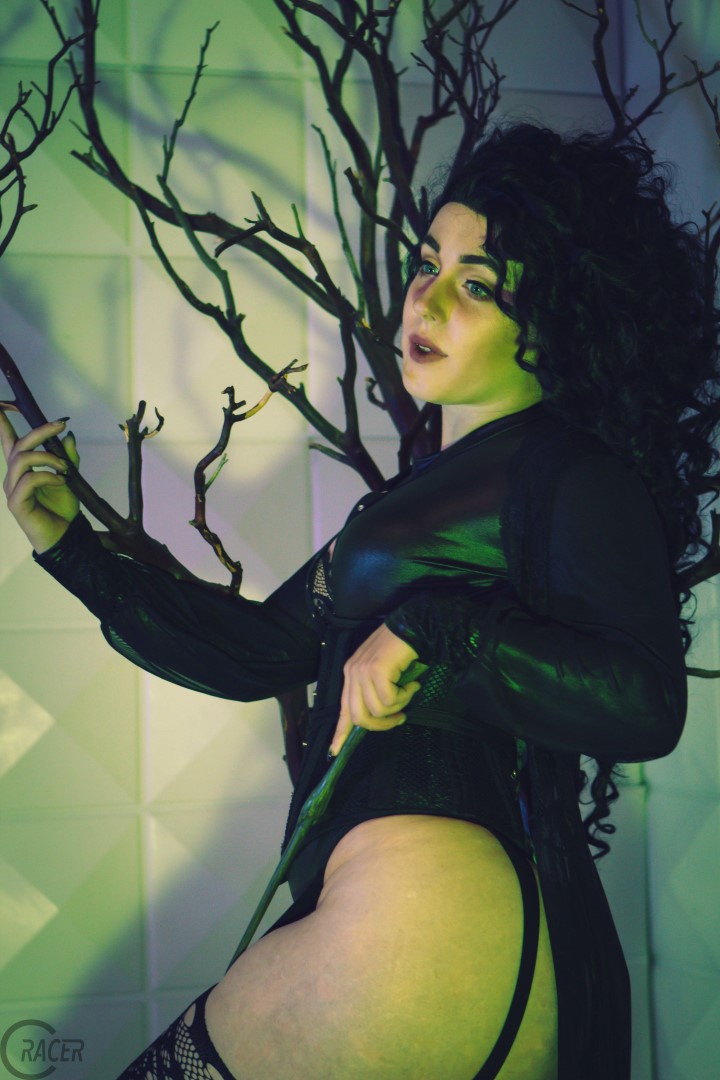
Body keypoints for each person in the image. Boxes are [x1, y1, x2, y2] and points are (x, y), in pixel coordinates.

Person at [1, 122, 716, 1080]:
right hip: (423, 932)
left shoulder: (572, 473)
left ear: (556, 324)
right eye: (428, 264)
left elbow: (643, 704)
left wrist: (430, 626)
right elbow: (262, 650)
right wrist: (71, 550)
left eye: (478, 285)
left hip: (423, 925)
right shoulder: (427, 492)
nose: (427, 297)